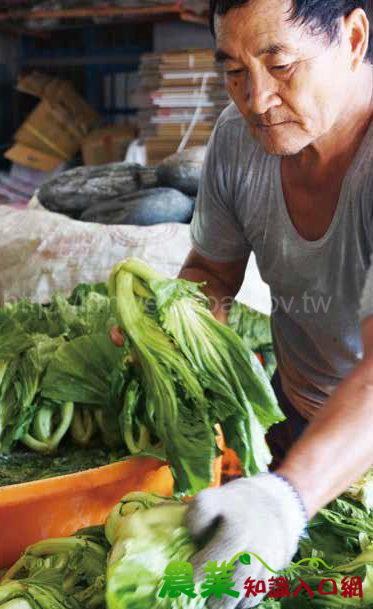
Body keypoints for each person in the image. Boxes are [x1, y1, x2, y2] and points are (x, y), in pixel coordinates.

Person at [112, 1, 373, 606]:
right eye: (233, 71)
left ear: (354, 37)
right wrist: (177, 324)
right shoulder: (238, 142)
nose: (255, 99)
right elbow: (211, 270)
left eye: (280, 65)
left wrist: (285, 499)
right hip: (297, 427)